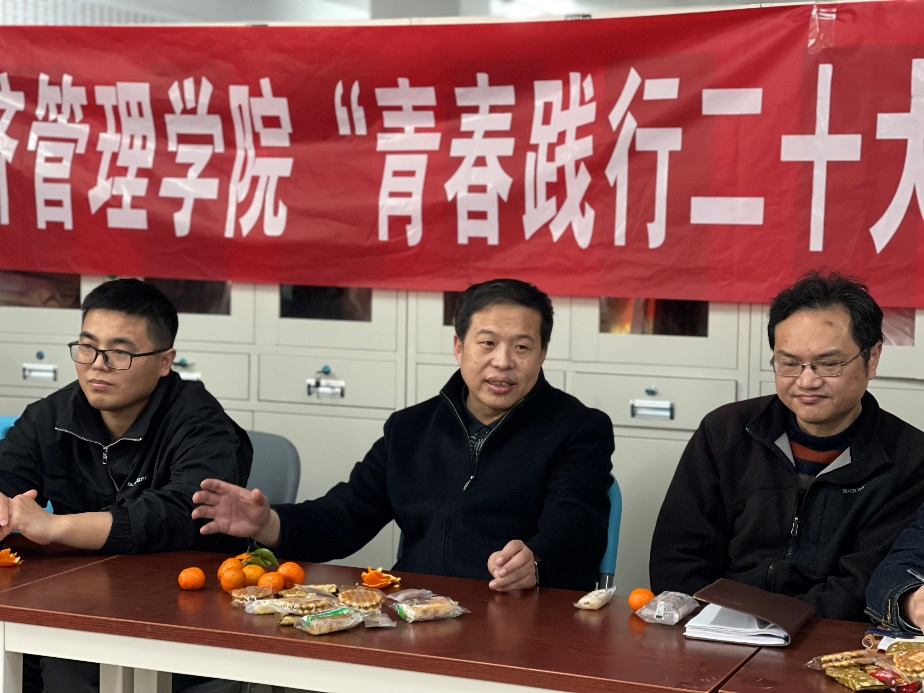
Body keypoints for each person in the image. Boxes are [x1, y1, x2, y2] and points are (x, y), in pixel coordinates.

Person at [193, 278, 614, 591]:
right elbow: (344, 516)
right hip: (419, 613)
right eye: (487, 343)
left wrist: (534, 562)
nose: (503, 361)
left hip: (521, 614)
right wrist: (269, 523)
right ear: (459, 347)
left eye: (522, 347)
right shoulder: (410, 429)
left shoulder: (578, 428)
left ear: (542, 354)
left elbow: (576, 524)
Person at [0, 278, 252, 691]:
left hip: (185, 609)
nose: (97, 365)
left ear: (165, 361)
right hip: (77, 598)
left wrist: (56, 526)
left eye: (119, 352)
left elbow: (180, 514)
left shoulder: (202, 424)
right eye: (87, 347)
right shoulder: (50, 415)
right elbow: (6, 478)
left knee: (69, 668)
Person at [649, 271, 924, 621]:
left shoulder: (909, 458)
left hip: (827, 634)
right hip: (713, 627)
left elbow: (867, 583)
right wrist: (710, 621)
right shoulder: (724, 432)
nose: (807, 381)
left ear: (872, 358)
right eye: (789, 363)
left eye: (829, 364)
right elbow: (677, 556)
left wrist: (780, 625)